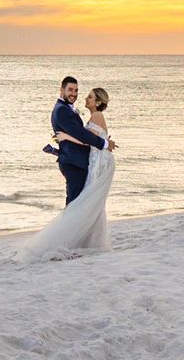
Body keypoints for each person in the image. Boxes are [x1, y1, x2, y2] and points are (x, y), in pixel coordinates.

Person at [18, 84, 116, 261]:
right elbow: (87, 138)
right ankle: (85, 241)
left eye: (90, 97)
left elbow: (85, 140)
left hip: (99, 162)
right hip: (94, 160)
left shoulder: (97, 115)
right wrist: (60, 147)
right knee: (88, 201)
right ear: (62, 90)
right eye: (77, 92)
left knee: (85, 202)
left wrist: (64, 137)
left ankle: (75, 240)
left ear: (98, 102)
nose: (85, 98)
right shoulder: (74, 111)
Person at [48, 76, 113, 206]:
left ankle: (71, 225)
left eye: (76, 90)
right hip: (74, 163)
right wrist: (104, 143)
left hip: (78, 162)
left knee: (76, 203)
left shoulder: (66, 109)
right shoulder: (62, 110)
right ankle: (69, 226)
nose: (74, 94)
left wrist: (65, 137)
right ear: (62, 90)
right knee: (75, 203)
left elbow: (82, 135)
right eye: (70, 90)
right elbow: (82, 135)